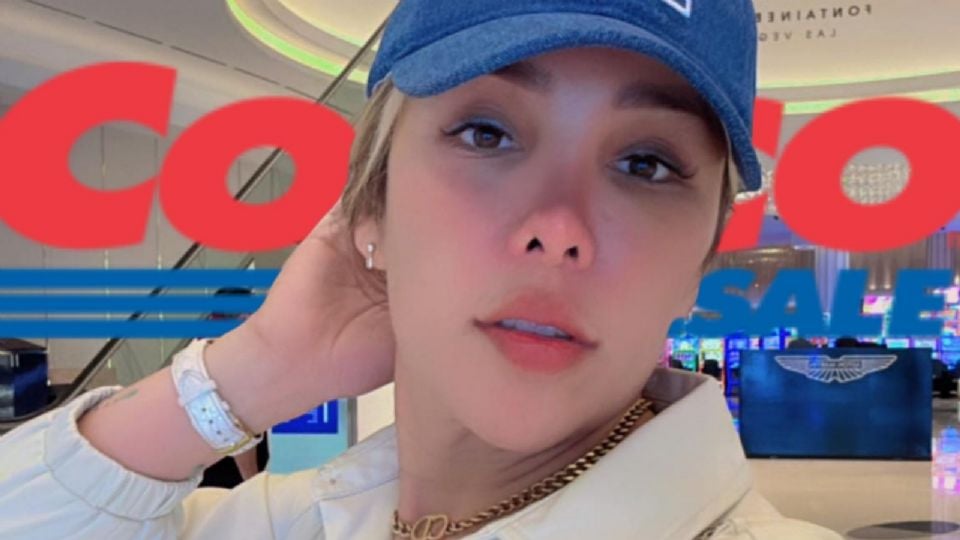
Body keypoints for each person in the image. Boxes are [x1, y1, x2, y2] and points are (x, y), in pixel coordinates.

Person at [0, 1, 844, 538]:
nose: (559, 230)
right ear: (370, 205)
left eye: (646, 163)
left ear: (700, 260)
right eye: (487, 133)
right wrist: (251, 374)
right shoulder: (282, 523)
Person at [196, 287, 270, 489]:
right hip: (230, 468)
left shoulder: (201, 349)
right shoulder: (231, 357)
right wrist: (251, 481)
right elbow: (236, 424)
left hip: (206, 463)